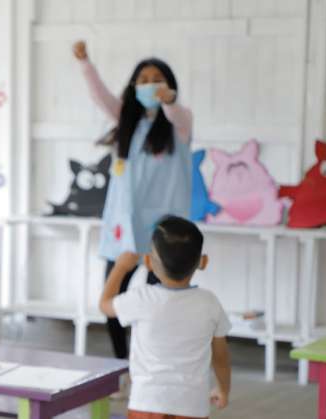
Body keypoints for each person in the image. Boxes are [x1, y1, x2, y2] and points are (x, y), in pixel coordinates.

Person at [73, 41, 194, 359]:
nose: (149, 84)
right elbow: (100, 97)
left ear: (168, 85)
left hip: (162, 230)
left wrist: (168, 102)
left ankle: (151, 362)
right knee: (112, 299)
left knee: (160, 304)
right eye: (142, 79)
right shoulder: (126, 124)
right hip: (123, 226)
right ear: (133, 87)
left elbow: (175, 111)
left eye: (156, 78)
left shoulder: (178, 125)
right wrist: (85, 63)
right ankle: (120, 366)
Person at [99, 216, 231, 419]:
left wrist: (120, 267)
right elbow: (220, 356)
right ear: (202, 262)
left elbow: (105, 304)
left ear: (148, 262)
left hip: (146, 404)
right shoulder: (209, 303)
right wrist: (223, 389)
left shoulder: (141, 298)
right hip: (192, 407)